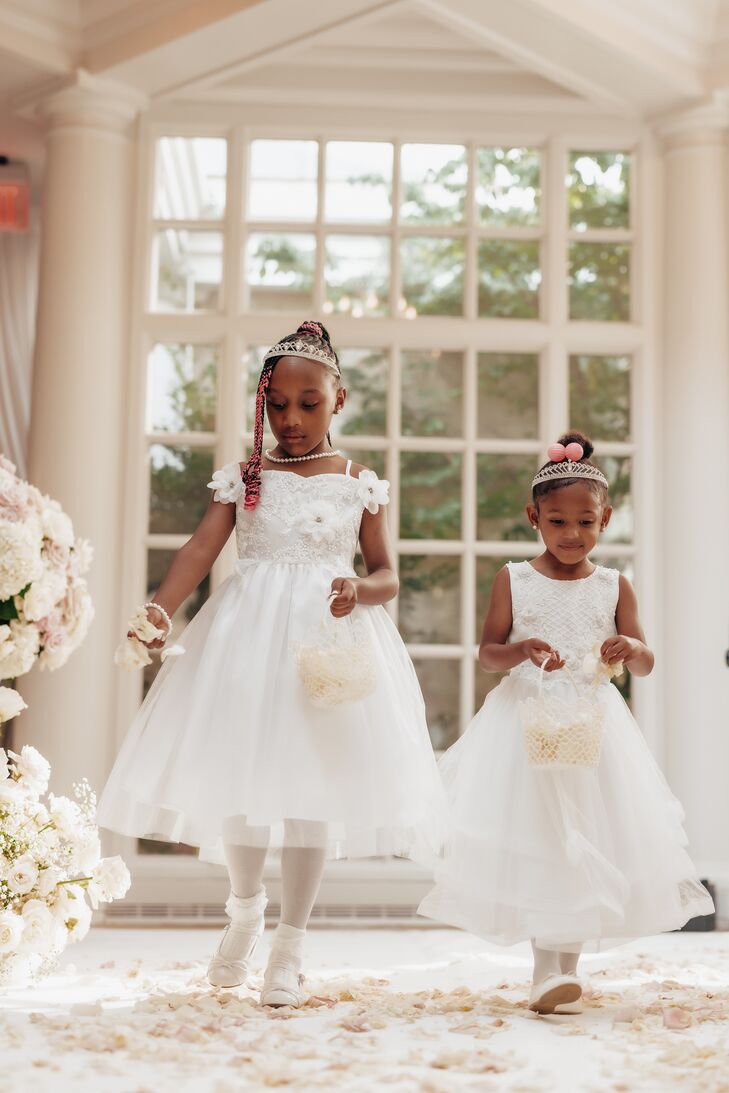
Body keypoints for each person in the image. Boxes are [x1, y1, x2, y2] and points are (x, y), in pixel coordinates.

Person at [98, 320, 445, 1006]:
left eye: (307, 403)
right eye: (276, 405)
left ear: (338, 398)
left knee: (311, 791)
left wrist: (359, 589)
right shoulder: (246, 475)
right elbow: (200, 549)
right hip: (247, 640)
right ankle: (245, 905)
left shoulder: (357, 483)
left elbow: (385, 573)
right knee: (244, 781)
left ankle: (290, 938)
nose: (290, 419)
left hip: (325, 640)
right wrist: (160, 609)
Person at [417, 431, 713, 1015]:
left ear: (604, 519)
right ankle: (544, 968)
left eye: (585, 522)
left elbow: (647, 660)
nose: (572, 534)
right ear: (534, 518)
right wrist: (522, 647)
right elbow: (487, 653)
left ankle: (563, 972)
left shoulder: (613, 583)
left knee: (588, 836)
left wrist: (628, 645)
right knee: (539, 837)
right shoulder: (514, 578)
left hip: (591, 724)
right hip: (527, 722)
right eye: (557, 522)